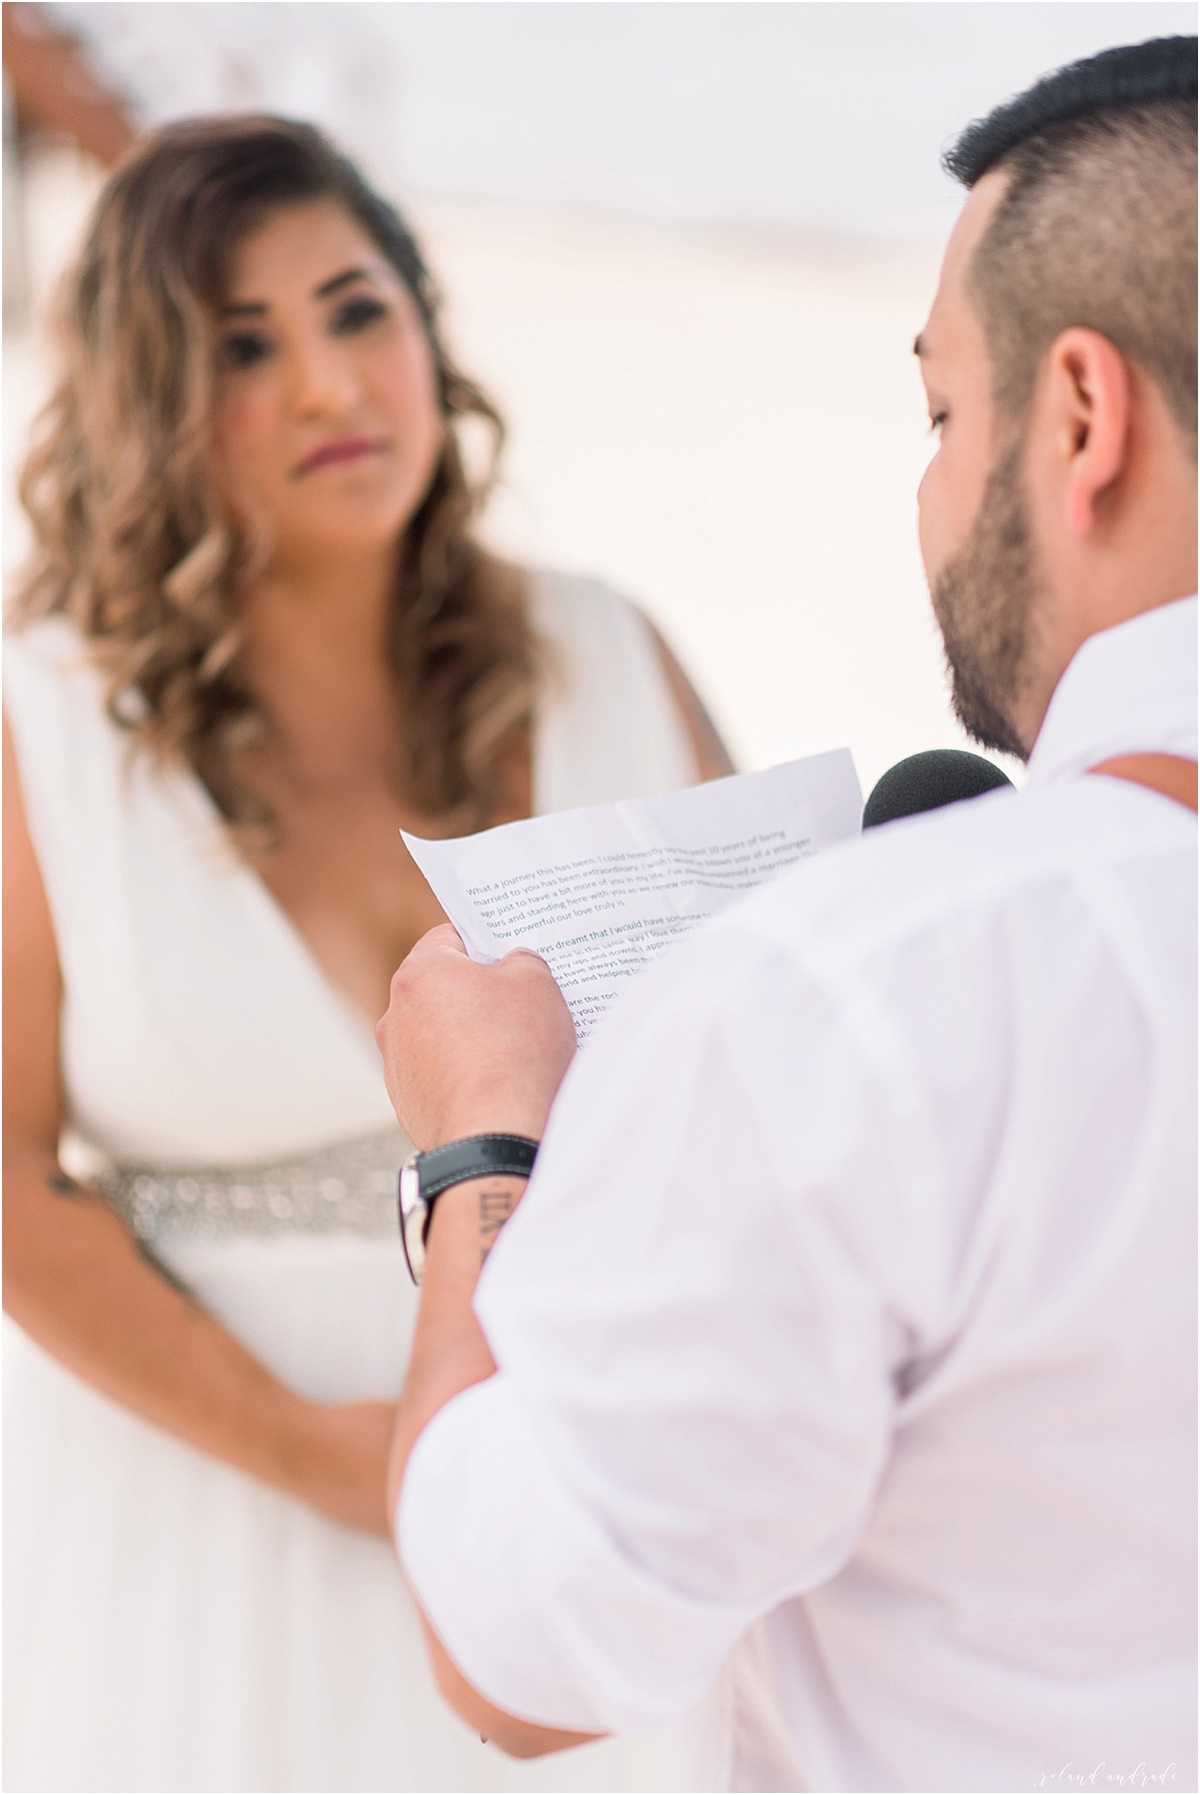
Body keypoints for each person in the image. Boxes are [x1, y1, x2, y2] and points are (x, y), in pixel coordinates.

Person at [377, 37, 1198, 1794]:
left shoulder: (872, 995)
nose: (926, 488)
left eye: (940, 414)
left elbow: (521, 1647)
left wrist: (482, 1155)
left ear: (1079, 418)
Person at [2, 115, 732, 1795]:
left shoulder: (606, 651)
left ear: (425, 327)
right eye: (242, 348)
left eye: (354, 310)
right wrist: (326, 1455)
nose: (329, 386)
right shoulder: (41, 717)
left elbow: (750, 1063)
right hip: (201, 1513)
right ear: (147, 403)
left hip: (575, 1478)